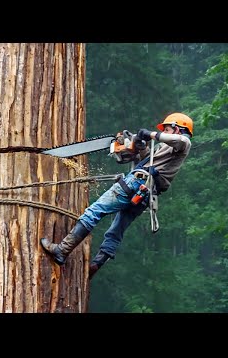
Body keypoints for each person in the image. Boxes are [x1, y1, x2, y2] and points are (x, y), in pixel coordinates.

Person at [40, 112, 193, 279]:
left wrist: (150, 134)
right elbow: (147, 160)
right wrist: (141, 146)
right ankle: (97, 264)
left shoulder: (183, 143)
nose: (165, 132)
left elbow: (183, 140)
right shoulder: (166, 148)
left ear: (177, 129)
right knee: (116, 231)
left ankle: (62, 250)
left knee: (94, 211)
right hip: (145, 194)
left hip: (137, 183)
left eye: (168, 129)